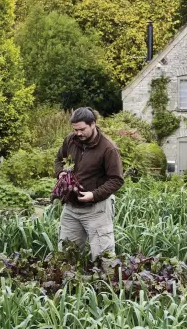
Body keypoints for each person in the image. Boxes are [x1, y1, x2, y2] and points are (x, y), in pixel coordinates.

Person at [54, 107, 124, 260]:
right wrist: (60, 173)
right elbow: (58, 160)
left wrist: (94, 195)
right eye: (75, 130)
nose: (78, 133)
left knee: (104, 258)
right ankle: (70, 284)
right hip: (71, 209)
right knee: (66, 256)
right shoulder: (70, 140)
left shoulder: (108, 148)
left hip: (97, 210)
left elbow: (117, 180)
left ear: (93, 124)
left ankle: (105, 282)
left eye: (82, 129)